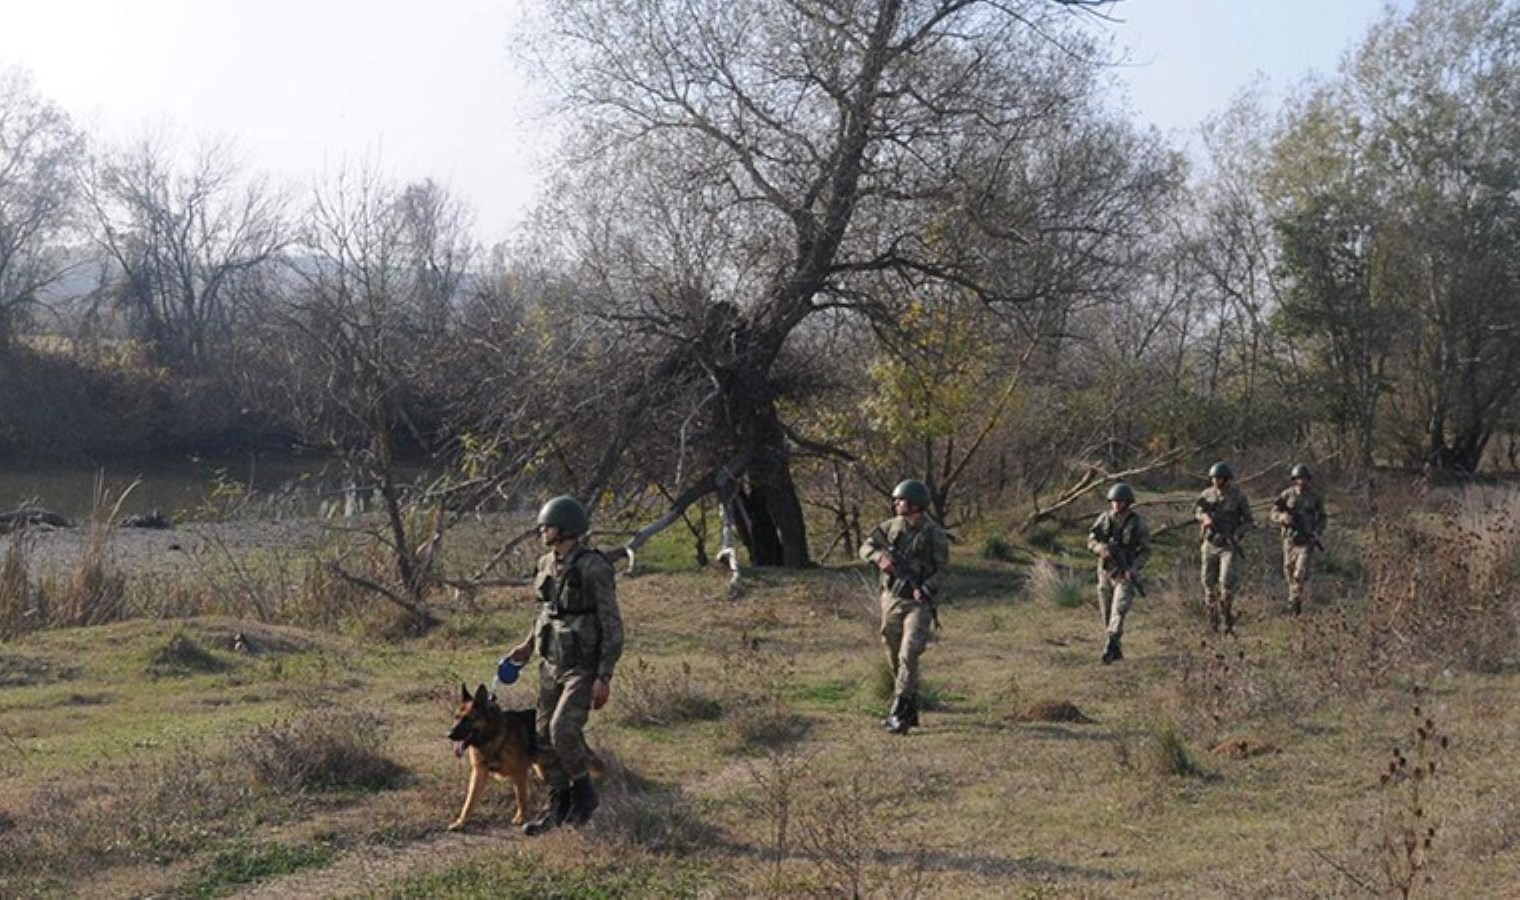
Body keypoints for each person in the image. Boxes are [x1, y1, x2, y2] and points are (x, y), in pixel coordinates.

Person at [504, 495, 624, 835]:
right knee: (542, 737)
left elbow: (612, 623)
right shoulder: (546, 564)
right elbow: (548, 611)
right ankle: (558, 806)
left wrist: (604, 675)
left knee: (563, 731)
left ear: (567, 529)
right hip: (550, 661)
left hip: (582, 667)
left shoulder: (594, 567)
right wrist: (527, 646)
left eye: (549, 525)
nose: (543, 530)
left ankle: (585, 796)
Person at [859, 479, 949, 735]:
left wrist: (927, 588)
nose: (896, 503)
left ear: (916, 505)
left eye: (901, 500)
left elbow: (944, 570)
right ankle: (909, 705)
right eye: (896, 500)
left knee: (909, 654)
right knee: (892, 649)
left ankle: (898, 711)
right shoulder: (889, 527)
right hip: (892, 598)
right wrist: (879, 558)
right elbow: (865, 546)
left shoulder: (934, 534)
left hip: (918, 603)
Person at [1086, 482, 1151, 664]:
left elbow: (1146, 550)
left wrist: (1134, 568)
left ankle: (1110, 645)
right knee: (1106, 611)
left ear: (1127, 502)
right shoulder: (1104, 519)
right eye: (1114, 501)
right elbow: (1091, 540)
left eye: (1120, 501)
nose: (1116, 504)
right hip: (1106, 570)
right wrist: (1100, 549)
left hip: (1125, 572)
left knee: (1119, 609)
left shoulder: (1137, 523)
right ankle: (1115, 647)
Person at [1194, 462, 1254, 635]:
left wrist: (1237, 534)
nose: (1216, 481)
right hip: (1209, 544)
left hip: (1228, 545)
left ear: (1226, 479)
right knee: (1207, 584)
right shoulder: (1206, 495)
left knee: (1226, 583)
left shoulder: (1238, 496)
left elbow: (1249, 521)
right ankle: (1212, 624)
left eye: (1219, 478)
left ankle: (1227, 620)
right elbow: (1197, 511)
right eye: (1213, 478)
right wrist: (1204, 518)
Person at [1271, 463, 1328, 615]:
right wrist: (1282, 517)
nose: (1302, 481)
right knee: (1288, 571)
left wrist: (1317, 531)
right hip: (1289, 539)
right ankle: (1294, 598)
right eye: (1298, 478)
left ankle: (1294, 603)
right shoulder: (1287, 495)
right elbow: (1274, 512)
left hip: (1306, 540)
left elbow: (1322, 517)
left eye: (1304, 478)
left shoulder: (1315, 497)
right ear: (1294, 479)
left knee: (1299, 573)